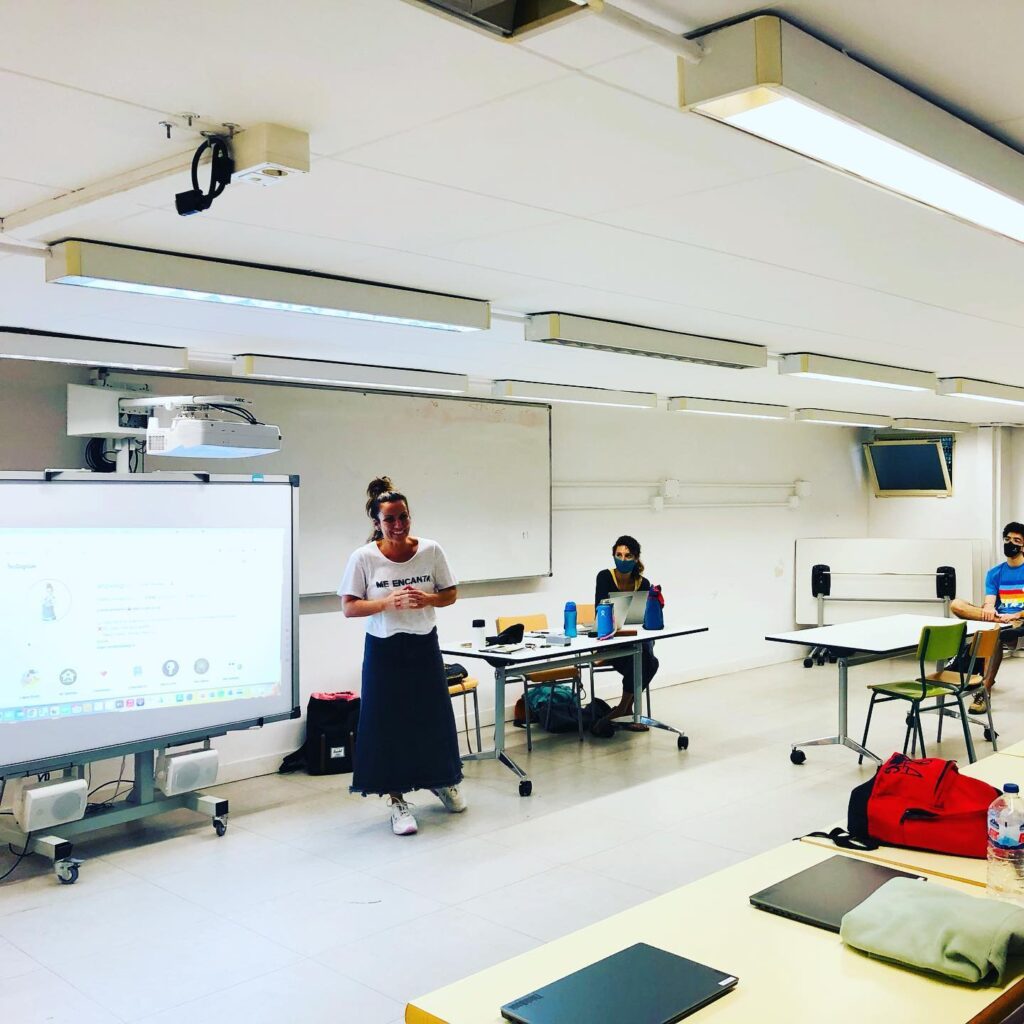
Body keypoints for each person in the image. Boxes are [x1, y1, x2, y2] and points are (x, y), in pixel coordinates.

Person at [339, 477, 465, 836]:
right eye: (390, 519)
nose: (398, 525)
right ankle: (397, 800)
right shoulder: (364, 557)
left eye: (403, 517)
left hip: (424, 644)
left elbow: (450, 593)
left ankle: (441, 781)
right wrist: (386, 603)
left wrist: (429, 599)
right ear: (377, 522)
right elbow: (349, 607)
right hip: (384, 649)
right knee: (387, 724)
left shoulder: (431, 550)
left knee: (433, 717)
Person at [950, 521, 1024, 715]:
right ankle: (984, 688)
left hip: (1020, 620)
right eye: (1007, 539)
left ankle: (985, 688)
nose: (1010, 543)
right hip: (1000, 619)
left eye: (1016, 540)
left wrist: (1017, 615)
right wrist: (990, 610)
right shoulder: (994, 573)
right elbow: (989, 601)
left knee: (994, 632)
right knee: (957, 605)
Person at [594, 534, 659, 731]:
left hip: (633, 640)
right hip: (610, 641)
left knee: (644, 658)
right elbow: (600, 610)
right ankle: (627, 710)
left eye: (628, 555)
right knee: (647, 661)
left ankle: (623, 709)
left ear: (636, 558)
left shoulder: (643, 583)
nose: (623, 559)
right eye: (619, 555)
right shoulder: (605, 577)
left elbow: (643, 617)